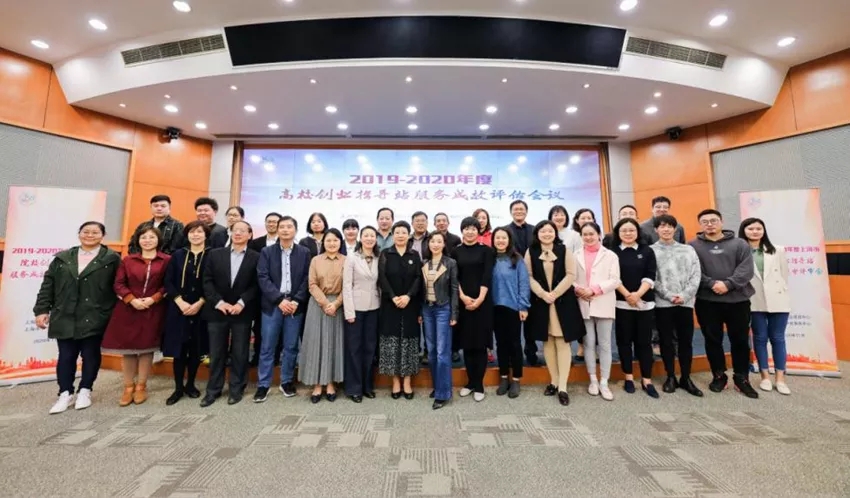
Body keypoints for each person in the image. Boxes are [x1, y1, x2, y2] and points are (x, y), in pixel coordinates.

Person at [34, 221, 120, 414]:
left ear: (102, 236)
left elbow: (119, 286)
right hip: (65, 314)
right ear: (79, 234)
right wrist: (42, 310)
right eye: (86, 231)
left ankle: (85, 390)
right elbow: (48, 285)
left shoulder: (111, 258)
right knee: (66, 356)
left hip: (95, 314)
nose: (90, 235)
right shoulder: (63, 258)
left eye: (95, 232)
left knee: (90, 354)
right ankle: (65, 393)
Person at [690, 209, 759, 398]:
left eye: (713, 220)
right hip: (707, 301)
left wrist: (728, 284)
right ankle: (719, 376)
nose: (710, 224)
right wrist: (711, 284)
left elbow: (746, 270)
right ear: (700, 225)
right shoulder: (692, 246)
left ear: (721, 222)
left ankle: (741, 378)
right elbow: (693, 271)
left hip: (738, 301)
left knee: (740, 340)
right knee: (712, 340)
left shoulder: (740, 244)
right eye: (705, 221)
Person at [102, 226, 170, 406]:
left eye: (151, 237)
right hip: (128, 308)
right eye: (143, 237)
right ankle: (128, 387)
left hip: (153, 308)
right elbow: (118, 284)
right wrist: (131, 300)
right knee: (129, 349)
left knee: (147, 348)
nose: (147, 240)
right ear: (138, 240)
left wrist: (153, 299)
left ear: (158, 240)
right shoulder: (128, 260)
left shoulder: (166, 260)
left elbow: (168, 284)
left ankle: (141, 386)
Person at [525, 220, 585, 406]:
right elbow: (528, 276)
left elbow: (571, 275)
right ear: (537, 234)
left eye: (550, 231)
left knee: (562, 342)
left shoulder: (564, 250)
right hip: (541, 303)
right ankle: (554, 381)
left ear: (555, 233)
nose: (547, 234)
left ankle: (563, 387)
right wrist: (543, 294)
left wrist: (554, 294)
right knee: (548, 341)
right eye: (543, 231)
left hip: (562, 302)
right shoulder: (531, 251)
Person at [200, 220, 259, 407]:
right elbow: (207, 281)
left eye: (243, 230)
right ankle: (213, 390)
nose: (238, 233)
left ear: (250, 235)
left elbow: (257, 284)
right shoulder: (215, 254)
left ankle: (236, 388)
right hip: (217, 310)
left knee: (240, 352)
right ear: (230, 233)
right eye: (235, 230)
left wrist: (241, 303)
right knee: (216, 352)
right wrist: (219, 302)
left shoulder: (256, 257)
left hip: (242, 311)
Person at [253, 216, 311, 402]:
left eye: (289, 227)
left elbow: (307, 278)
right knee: (267, 346)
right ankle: (263, 384)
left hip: (295, 306)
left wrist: (296, 300)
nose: (285, 230)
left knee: (291, 346)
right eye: (282, 227)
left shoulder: (304, 252)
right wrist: (279, 300)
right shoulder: (267, 252)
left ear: (295, 230)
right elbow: (263, 277)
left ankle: (286, 381)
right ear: (277, 230)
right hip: (273, 305)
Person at [651, 214, 703, 397]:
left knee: (686, 341)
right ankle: (670, 376)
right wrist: (668, 295)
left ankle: (686, 377)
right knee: (666, 341)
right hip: (663, 303)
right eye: (662, 226)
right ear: (656, 229)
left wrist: (685, 295)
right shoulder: (651, 251)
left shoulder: (688, 250)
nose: (666, 229)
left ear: (675, 229)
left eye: (670, 226)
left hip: (685, 303)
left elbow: (696, 275)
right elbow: (652, 277)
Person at [739, 217, 791, 395]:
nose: (755, 232)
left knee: (778, 338)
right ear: (744, 231)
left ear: (764, 231)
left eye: (758, 228)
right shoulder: (740, 251)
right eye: (750, 229)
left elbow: (784, 275)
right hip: (754, 299)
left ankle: (780, 378)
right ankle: (765, 376)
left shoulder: (778, 250)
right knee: (760, 338)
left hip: (778, 299)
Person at [161, 221, 210, 405]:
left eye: (199, 232)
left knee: (196, 349)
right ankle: (178, 388)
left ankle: (190, 385)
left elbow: (213, 282)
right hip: (178, 308)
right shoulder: (177, 255)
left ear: (206, 235)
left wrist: (200, 302)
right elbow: (168, 281)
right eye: (192, 232)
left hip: (202, 308)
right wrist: (179, 302)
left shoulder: (212, 255)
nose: (195, 235)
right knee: (179, 350)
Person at [611, 218, 658, 398]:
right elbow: (613, 278)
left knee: (644, 342)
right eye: (624, 230)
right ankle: (628, 377)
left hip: (644, 303)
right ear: (618, 233)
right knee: (624, 341)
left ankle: (647, 379)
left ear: (638, 232)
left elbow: (650, 275)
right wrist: (627, 296)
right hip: (621, 303)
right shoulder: (613, 252)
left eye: (631, 230)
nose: (628, 233)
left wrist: (637, 295)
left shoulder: (647, 251)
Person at [573, 222, 620, 401]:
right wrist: (579, 290)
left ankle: (604, 382)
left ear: (599, 234)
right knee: (589, 343)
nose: (588, 237)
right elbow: (571, 277)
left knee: (605, 344)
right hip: (583, 302)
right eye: (585, 234)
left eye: (591, 234)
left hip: (603, 301)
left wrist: (594, 290)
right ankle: (593, 380)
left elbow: (615, 280)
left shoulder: (610, 255)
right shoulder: (575, 255)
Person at [299, 229, 346, 403]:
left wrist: (336, 304)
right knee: (316, 344)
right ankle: (317, 384)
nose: (332, 243)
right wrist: (326, 303)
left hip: (339, 306)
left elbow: (349, 286)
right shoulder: (315, 260)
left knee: (334, 344)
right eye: (328, 240)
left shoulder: (347, 261)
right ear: (323, 243)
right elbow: (312, 284)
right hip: (318, 305)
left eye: (335, 240)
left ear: (340, 242)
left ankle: (331, 383)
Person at [378, 221, 422, 399]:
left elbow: (419, 278)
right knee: (392, 342)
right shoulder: (385, 253)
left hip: (410, 304)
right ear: (393, 234)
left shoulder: (415, 255)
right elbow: (382, 278)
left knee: (409, 342)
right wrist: (393, 296)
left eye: (404, 232)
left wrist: (408, 296)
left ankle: (407, 381)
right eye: (397, 232)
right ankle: (395, 381)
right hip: (390, 304)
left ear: (408, 235)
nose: (400, 235)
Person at [452, 217, 494, 402]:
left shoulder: (487, 251)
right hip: (463, 302)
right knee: (468, 344)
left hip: (483, 302)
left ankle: (479, 385)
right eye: (466, 228)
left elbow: (487, 275)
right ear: (462, 231)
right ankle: (470, 382)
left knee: (480, 344)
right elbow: (455, 277)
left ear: (479, 231)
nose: (470, 232)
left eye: (473, 229)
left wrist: (480, 299)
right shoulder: (455, 251)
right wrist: (462, 297)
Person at [419, 231, 459, 409]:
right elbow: (420, 290)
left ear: (444, 244)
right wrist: (419, 311)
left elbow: (454, 289)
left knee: (443, 352)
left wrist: (454, 314)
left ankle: (443, 393)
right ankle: (438, 387)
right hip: (427, 309)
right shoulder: (424, 263)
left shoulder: (450, 263)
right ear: (428, 244)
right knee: (432, 351)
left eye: (439, 241)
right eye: (432, 241)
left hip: (443, 309)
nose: (435, 244)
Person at [342, 226, 382, 403]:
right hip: (355, 309)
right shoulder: (352, 257)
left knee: (369, 348)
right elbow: (346, 286)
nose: (369, 238)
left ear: (376, 239)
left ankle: (367, 386)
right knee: (354, 348)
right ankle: (354, 388)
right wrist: (349, 311)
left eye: (372, 235)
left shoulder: (379, 258)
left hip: (374, 307)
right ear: (361, 237)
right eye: (366, 235)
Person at [490, 227, 530, 399]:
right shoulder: (489, 258)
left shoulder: (517, 259)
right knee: (500, 344)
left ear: (509, 240)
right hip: (494, 307)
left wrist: (523, 306)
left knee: (514, 344)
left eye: (503, 238)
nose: (500, 241)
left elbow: (524, 283)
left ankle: (516, 379)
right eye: (497, 238)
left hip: (513, 307)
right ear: (493, 240)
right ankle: (504, 377)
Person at [503, 200, 536, 365]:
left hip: (533, 278)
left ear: (526, 211)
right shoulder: (505, 231)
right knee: (510, 321)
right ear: (511, 212)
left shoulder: (535, 230)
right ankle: (511, 354)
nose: (519, 211)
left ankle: (531, 351)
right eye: (515, 209)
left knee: (531, 318)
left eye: (522, 209)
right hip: (511, 277)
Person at [248, 211, 283, 366]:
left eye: (275, 222)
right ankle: (257, 356)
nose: (271, 224)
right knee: (259, 327)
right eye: (269, 221)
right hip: (259, 292)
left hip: (280, 293)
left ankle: (275, 358)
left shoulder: (286, 243)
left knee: (279, 328)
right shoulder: (255, 243)